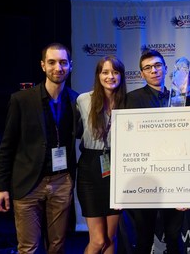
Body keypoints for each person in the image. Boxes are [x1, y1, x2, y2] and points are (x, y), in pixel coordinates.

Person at [0, 42, 79, 254]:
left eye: (63, 62)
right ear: (43, 66)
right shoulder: (21, 100)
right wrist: (1, 187)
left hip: (61, 181)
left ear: (70, 66)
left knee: (57, 247)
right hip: (28, 183)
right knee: (28, 248)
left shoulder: (76, 100)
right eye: (52, 62)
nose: (58, 68)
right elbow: (7, 146)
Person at [125, 48, 185, 254]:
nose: (154, 70)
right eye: (148, 68)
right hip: (145, 176)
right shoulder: (131, 99)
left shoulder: (180, 99)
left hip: (174, 176)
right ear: (141, 73)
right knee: (144, 235)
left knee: (174, 235)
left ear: (166, 68)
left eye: (158, 66)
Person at [76, 55, 127, 254]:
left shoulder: (128, 102)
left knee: (110, 238)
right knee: (97, 240)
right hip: (89, 169)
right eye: (105, 72)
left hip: (117, 169)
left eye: (115, 72)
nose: (110, 76)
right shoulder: (83, 100)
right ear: (98, 75)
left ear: (121, 76)